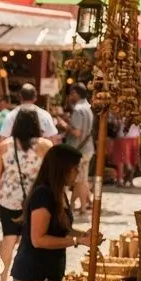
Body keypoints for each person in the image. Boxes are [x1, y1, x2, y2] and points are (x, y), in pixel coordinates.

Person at [11, 144, 95, 281]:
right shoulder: (43, 194)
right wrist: (76, 241)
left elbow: (60, 228)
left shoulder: (59, 192)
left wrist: (83, 236)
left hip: (50, 273)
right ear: (63, 168)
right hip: (33, 274)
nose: (78, 172)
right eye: (75, 168)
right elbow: (38, 239)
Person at [0, 109, 52, 281]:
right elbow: (51, 171)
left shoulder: (4, 146)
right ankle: (30, 280)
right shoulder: (45, 146)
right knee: (33, 238)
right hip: (35, 198)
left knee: (9, 237)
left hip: (8, 197)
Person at [57, 84, 94, 214]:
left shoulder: (78, 109)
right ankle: (76, 206)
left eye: (72, 94)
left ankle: (81, 207)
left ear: (75, 93)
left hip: (79, 149)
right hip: (87, 148)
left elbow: (77, 132)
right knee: (81, 179)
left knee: (81, 180)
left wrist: (64, 125)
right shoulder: (88, 107)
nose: (70, 96)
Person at [112, 117, 140, 186]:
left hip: (128, 137)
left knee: (126, 160)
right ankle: (125, 179)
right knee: (126, 160)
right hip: (127, 137)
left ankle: (124, 179)